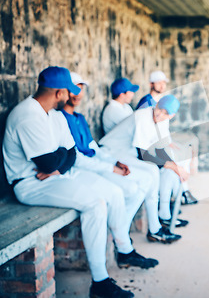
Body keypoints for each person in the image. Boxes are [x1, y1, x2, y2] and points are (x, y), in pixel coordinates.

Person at [2, 66, 158, 298]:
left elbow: (70, 154)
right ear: (58, 92)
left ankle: (124, 250)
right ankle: (100, 282)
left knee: (113, 192)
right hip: (29, 184)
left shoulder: (54, 114)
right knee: (96, 203)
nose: (71, 95)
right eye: (68, 91)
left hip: (55, 176)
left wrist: (57, 163)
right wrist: (56, 162)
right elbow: (48, 163)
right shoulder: (26, 114)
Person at [61, 72, 178, 244]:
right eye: (129, 91)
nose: (132, 94)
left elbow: (91, 147)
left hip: (114, 156)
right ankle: (129, 232)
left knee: (150, 176)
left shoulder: (84, 116)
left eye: (80, 89)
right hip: (113, 153)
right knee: (143, 179)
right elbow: (143, 152)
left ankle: (148, 226)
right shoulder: (116, 110)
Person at [99, 95, 190, 242]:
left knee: (155, 172)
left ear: (171, 116)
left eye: (166, 113)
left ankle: (155, 228)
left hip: (127, 153)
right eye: (159, 109)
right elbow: (144, 155)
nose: (160, 114)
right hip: (111, 152)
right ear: (157, 104)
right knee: (152, 172)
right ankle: (149, 228)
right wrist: (174, 166)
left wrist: (176, 167)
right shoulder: (143, 115)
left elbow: (160, 149)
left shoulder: (163, 121)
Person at [135, 70, 198, 205]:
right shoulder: (146, 103)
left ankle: (181, 191)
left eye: (164, 82)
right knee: (173, 162)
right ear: (151, 84)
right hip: (143, 147)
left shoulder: (160, 100)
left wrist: (168, 142)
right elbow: (145, 140)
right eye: (159, 82)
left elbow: (161, 129)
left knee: (184, 151)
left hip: (155, 143)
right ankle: (180, 193)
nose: (162, 85)